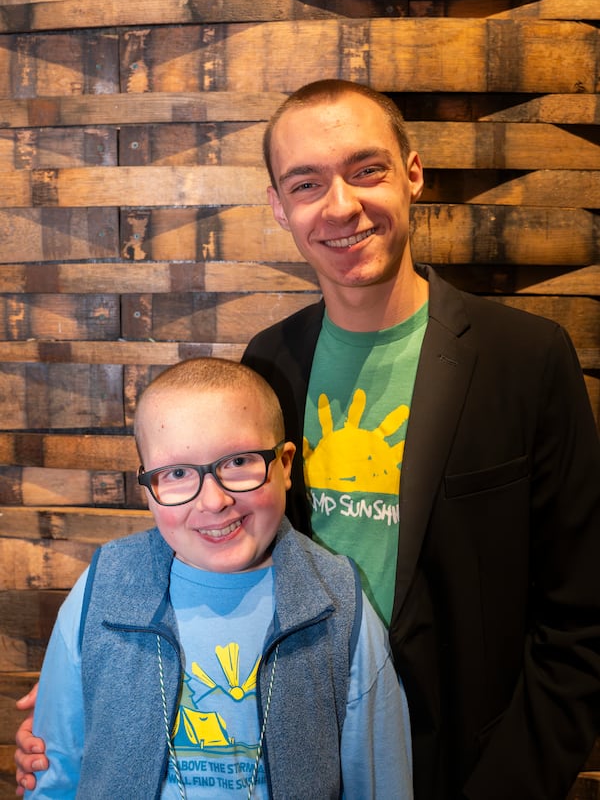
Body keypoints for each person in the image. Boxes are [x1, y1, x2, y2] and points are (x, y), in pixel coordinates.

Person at [15, 79, 600, 799]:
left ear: (412, 173)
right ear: (279, 207)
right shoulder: (269, 364)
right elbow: (237, 567)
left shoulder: (526, 357)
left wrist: (517, 781)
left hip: (476, 765)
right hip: (306, 755)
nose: (342, 206)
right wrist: (101, 692)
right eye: (307, 183)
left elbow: (579, 619)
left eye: (367, 169)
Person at [18, 356, 413, 798]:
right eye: (177, 473)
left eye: (239, 461)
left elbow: (382, 784)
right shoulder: (101, 589)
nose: (213, 500)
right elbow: (52, 772)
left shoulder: (339, 607)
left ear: (284, 466)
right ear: (147, 490)